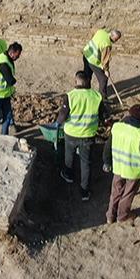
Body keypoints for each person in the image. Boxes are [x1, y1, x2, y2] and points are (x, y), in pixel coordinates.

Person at [55, 69, 105, 199]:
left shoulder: (70, 96)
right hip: (88, 135)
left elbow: (63, 115)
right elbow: (102, 116)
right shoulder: (97, 96)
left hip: (71, 133)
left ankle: (68, 175)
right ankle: (84, 191)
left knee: (69, 155)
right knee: (86, 162)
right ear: (89, 81)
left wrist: (58, 123)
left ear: (76, 81)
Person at [103, 104, 140, 224]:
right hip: (133, 171)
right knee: (128, 194)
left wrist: (107, 161)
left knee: (115, 191)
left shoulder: (117, 127)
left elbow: (108, 146)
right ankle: (123, 215)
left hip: (118, 167)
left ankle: (110, 216)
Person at [82, 28, 121, 99]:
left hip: (86, 54)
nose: (116, 41)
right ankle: (103, 98)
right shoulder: (107, 44)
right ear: (112, 36)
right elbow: (105, 59)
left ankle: (85, 93)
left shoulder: (101, 31)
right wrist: (106, 70)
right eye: (116, 39)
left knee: (87, 76)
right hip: (93, 61)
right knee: (103, 78)